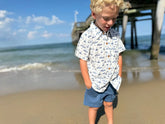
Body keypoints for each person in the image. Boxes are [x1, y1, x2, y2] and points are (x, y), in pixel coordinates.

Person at [75, 0, 126, 124]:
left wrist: (119, 74)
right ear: (94, 15)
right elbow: (83, 59)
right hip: (95, 80)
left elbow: (119, 55)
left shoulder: (115, 34)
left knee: (109, 103)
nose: (110, 23)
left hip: (112, 79)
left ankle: (110, 122)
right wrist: (87, 81)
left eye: (114, 19)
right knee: (94, 106)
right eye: (106, 18)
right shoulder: (87, 36)